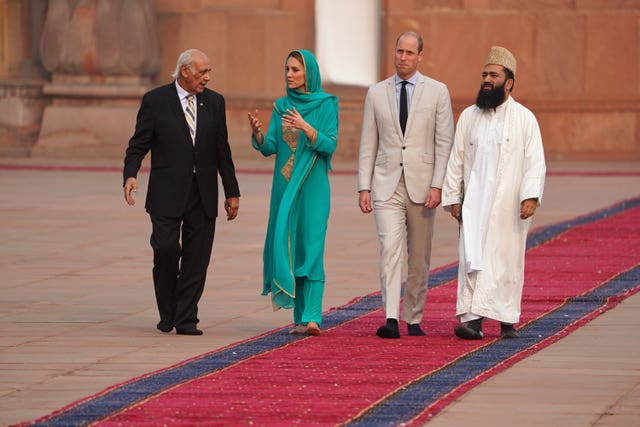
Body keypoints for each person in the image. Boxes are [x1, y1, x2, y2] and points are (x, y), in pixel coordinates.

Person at [123, 48, 240, 336]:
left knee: (196, 258)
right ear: (185, 71)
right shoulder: (155, 101)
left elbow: (222, 149)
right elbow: (139, 143)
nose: (208, 78)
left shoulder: (214, 102)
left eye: (209, 72)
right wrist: (130, 174)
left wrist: (231, 191)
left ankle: (186, 318)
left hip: (203, 193)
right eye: (203, 72)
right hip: (166, 192)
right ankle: (168, 311)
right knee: (165, 249)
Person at [441, 46, 546, 340]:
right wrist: (453, 198)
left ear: (509, 82)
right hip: (474, 203)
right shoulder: (469, 116)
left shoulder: (525, 119)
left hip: (508, 206)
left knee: (505, 261)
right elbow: (456, 158)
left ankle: (506, 319)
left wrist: (530, 196)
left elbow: (534, 160)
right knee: (473, 258)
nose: (486, 79)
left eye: (493, 75)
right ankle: (472, 320)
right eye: (484, 74)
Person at [358, 32, 454, 339]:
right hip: (386, 184)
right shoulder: (376, 92)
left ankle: (413, 318)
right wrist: (364, 186)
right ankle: (391, 318)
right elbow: (367, 143)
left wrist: (438, 185)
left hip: (423, 185)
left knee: (419, 256)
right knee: (390, 249)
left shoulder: (438, 92)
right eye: (399, 51)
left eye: (409, 52)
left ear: (420, 56)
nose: (403, 57)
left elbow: (444, 143)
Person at [247, 50, 338, 337]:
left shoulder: (326, 104)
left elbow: (329, 145)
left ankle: (313, 316)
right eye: (287, 68)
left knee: (311, 247)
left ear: (308, 72)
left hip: (313, 187)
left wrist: (306, 128)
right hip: (285, 187)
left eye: (296, 69)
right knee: (290, 245)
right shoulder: (281, 107)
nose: (290, 74)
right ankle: (300, 319)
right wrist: (259, 135)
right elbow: (271, 146)